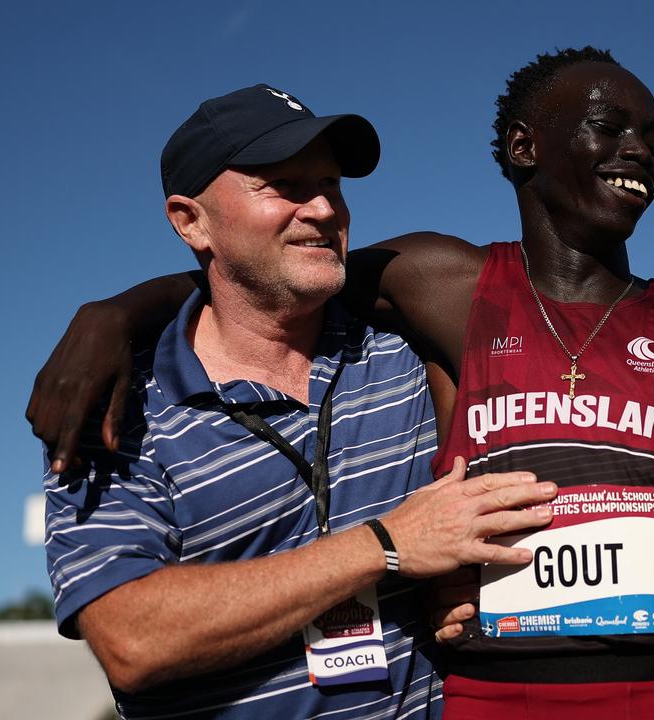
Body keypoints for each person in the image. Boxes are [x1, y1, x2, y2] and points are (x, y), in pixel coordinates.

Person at [28, 51, 654, 719]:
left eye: (650, 134)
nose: (636, 148)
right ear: (522, 148)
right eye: (605, 125)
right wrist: (118, 313)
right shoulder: (437, 283)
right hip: (480, 699)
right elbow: (268, 279)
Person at [41, 84, 557, 720]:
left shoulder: (407, 351)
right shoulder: (119, 406)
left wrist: (475, 589)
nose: (322, 208)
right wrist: (385, 545)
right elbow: (132, 638)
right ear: (190, 221)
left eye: (333, 185)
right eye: (283, 185)